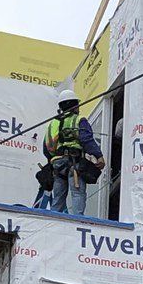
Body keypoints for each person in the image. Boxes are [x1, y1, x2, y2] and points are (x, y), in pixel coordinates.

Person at [37, 88, 104, 216]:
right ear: (75, 105)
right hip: (74, 163)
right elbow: (86, 139)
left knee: (58, 198)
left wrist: (52, 162)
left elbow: (46, 148)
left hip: (57, 165)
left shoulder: (53, 123)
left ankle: (54, 220)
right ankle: (78, 220)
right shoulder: (79, 120)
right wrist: (99, 156)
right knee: (77, 193)